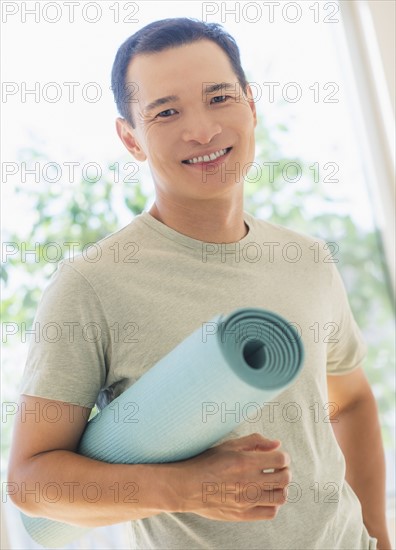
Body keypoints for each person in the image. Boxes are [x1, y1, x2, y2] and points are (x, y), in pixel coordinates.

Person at [8, 17, 391, 550]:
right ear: (130, 138)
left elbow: (349, 401)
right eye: (167, 112)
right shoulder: (92, 285)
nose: (203, 130)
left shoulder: (306, 259)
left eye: (219, 98)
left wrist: (378, 536)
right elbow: (32, 485)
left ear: (251, 106)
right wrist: (187, 488)